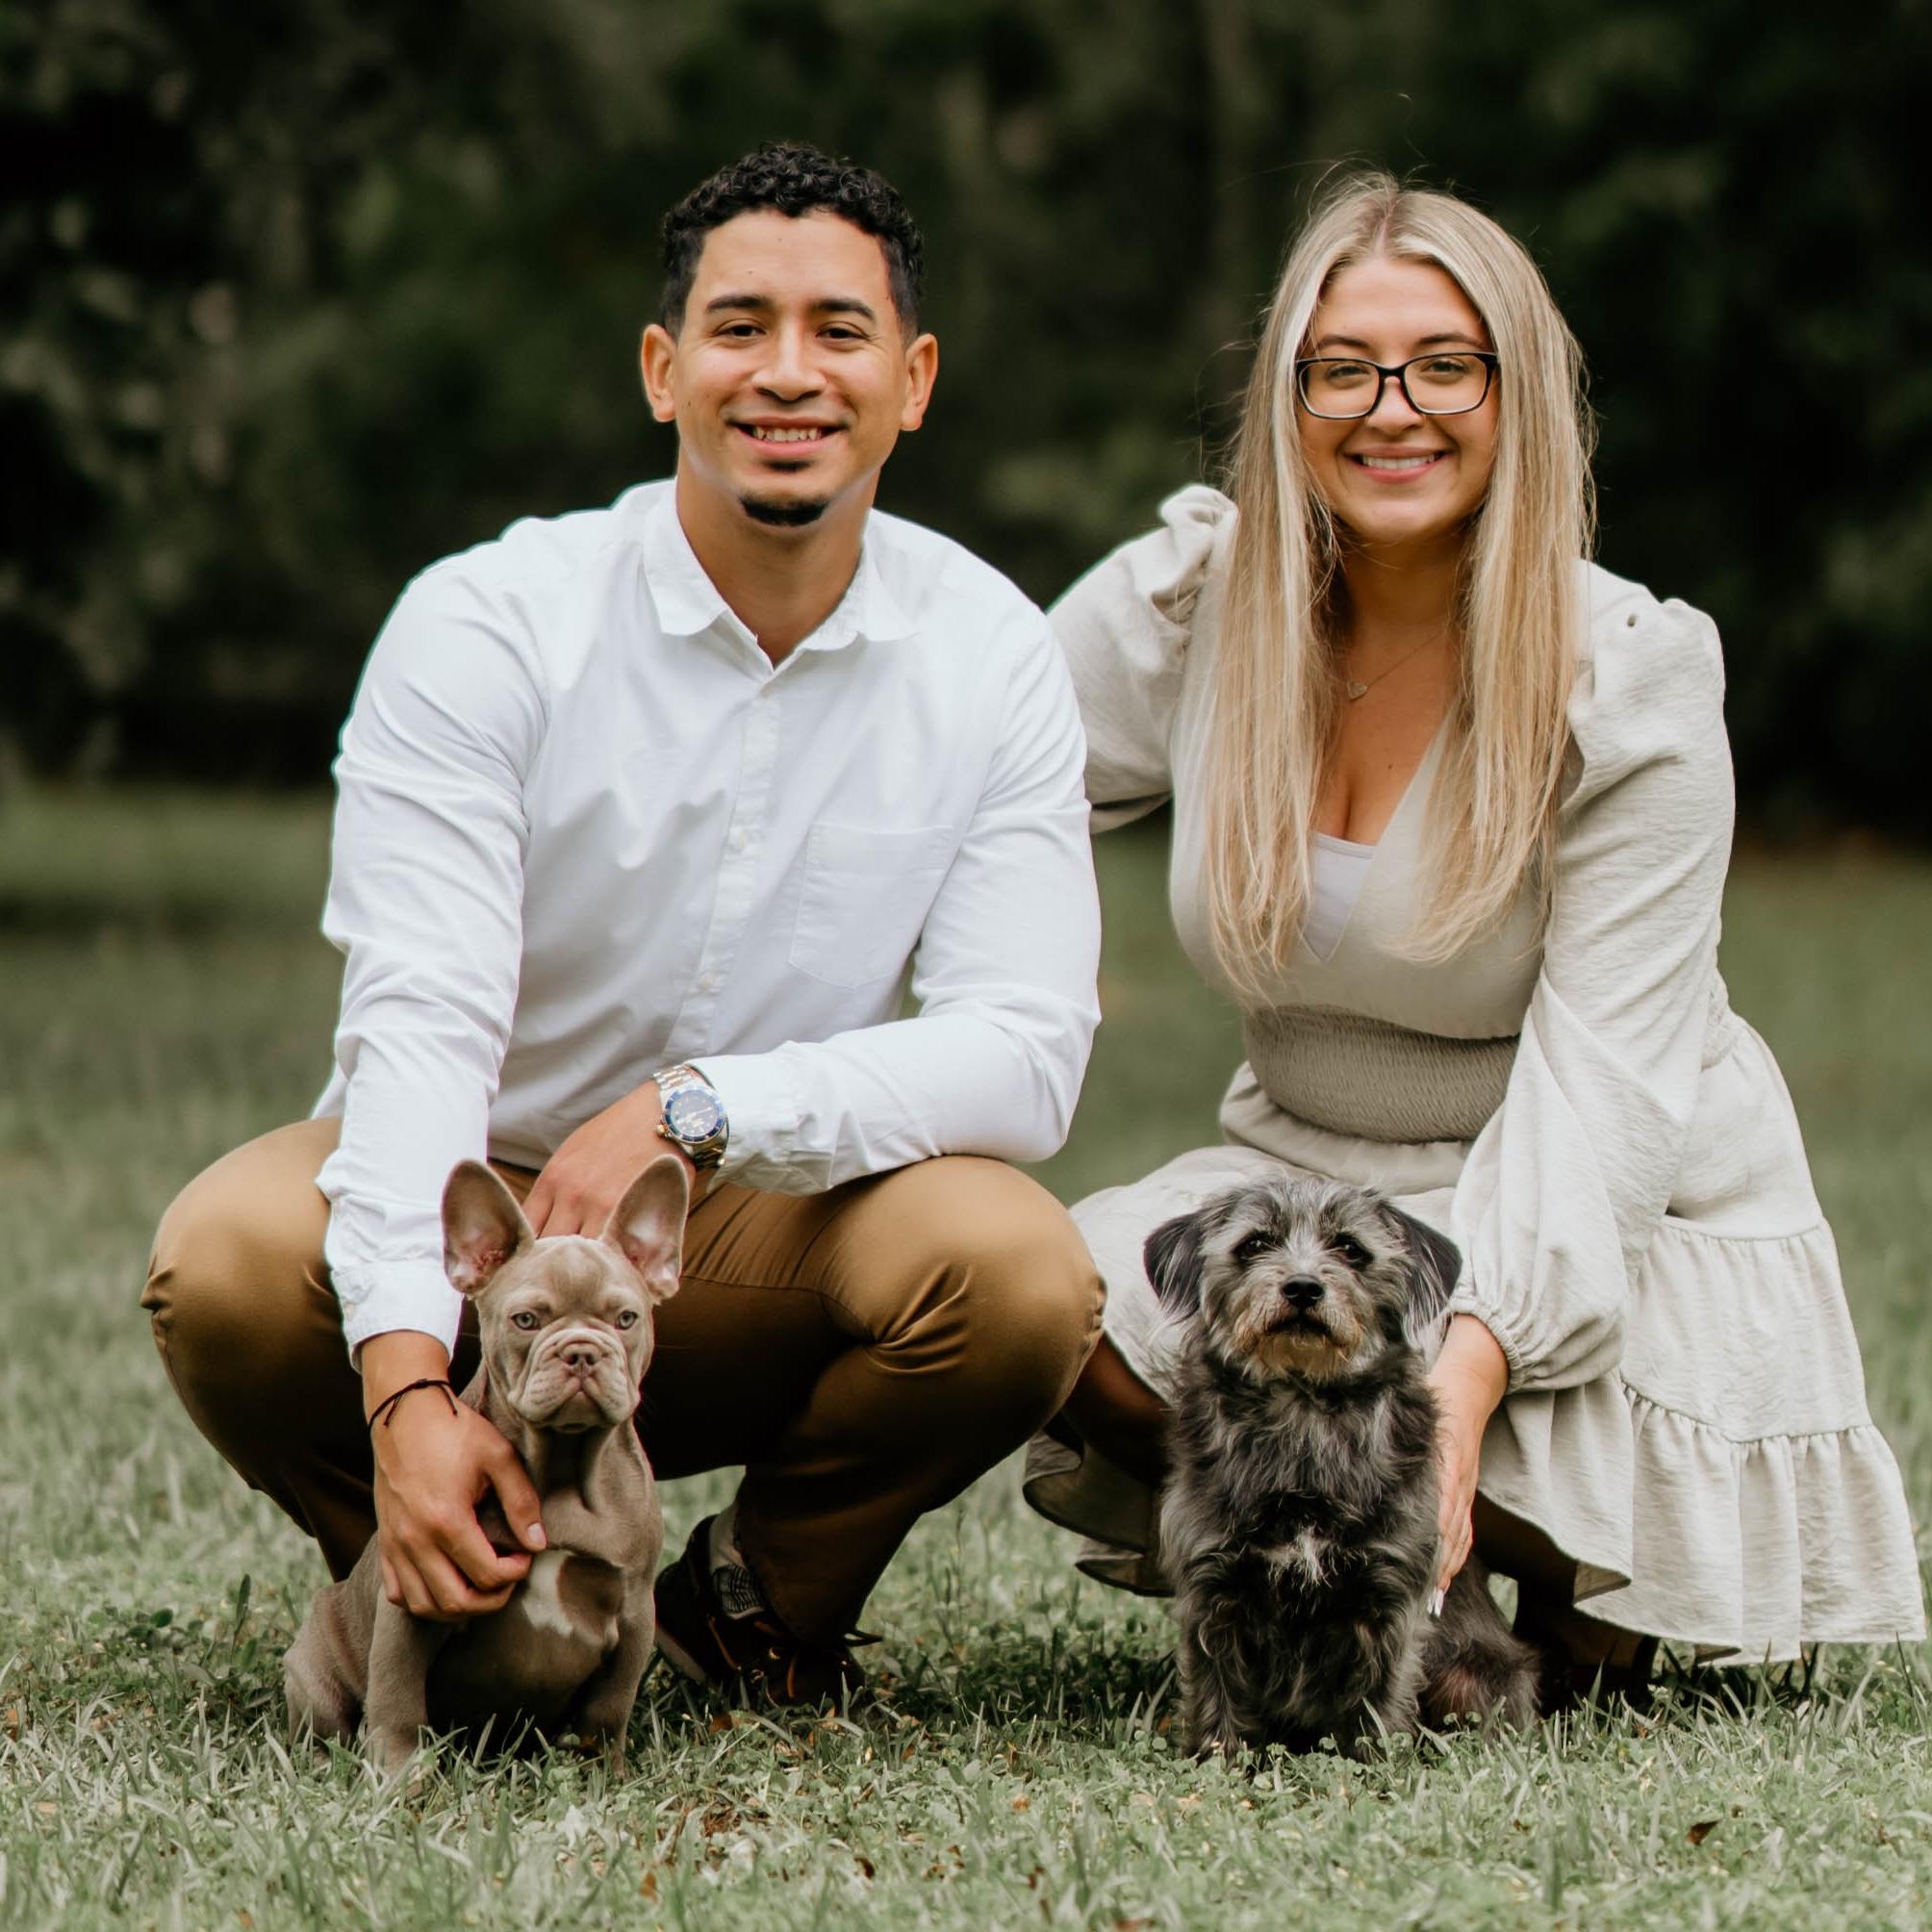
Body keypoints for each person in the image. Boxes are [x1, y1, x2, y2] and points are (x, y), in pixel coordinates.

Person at [143, 142, 1105, 1707]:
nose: (786, 372)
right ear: (663, 370)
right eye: (739, 327)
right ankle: (440, 1579)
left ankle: (749, 1609)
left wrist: (701, 1109)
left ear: (914, 381)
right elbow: (422, 1026)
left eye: (839, 331)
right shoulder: (488, 623)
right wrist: (409, 1392)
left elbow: (1027, 1051)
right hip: (482, 1216)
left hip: (762, 1222)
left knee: (1020, 1272)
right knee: (229, 1258)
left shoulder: (990, 651)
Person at [1030, 172, 1922, 1698]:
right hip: (1315, 1186)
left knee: (1592, 1645)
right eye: (1344, 368)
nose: (1395, 410)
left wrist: (1466, 1371)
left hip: (1605, 1202)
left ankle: (1547, 1577)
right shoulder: (1196, 607)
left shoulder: (1627, 675)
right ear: (1287, 398)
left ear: (1518, 397)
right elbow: (963, 779)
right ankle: (1392, 1589)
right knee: (1050, 1312)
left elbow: (1607, 1099)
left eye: (1446, 365)